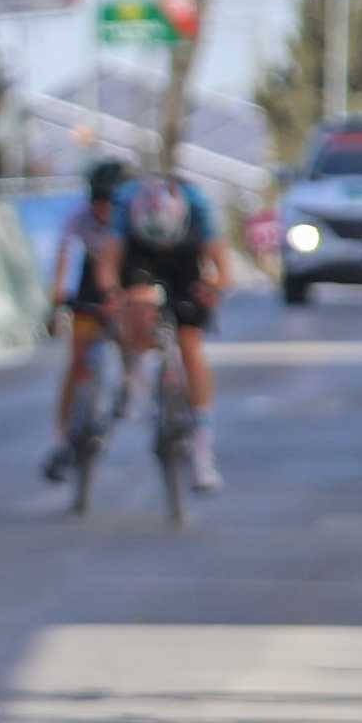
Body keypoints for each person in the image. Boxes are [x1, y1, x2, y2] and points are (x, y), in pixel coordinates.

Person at [91, 174, 229, 493]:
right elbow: (108, 264)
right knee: (137, 303)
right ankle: (137, 375)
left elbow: (223, 270)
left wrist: (212, 288)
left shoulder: (199, 206)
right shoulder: (126, 204)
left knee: (191, 344)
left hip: (185, 262)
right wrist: (112, 294)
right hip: (141, 259)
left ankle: (202, 448)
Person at [42, 160, 133, 482]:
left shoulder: (131, 220)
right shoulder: (78, 219)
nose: (104, 209)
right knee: (77, 358)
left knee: (130, 337)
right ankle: (62, 437)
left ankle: (128, 385)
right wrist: (56, 304)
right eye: (99, 202)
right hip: (90, 289)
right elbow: (64, 259)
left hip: (125, 283)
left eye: (111, 203)